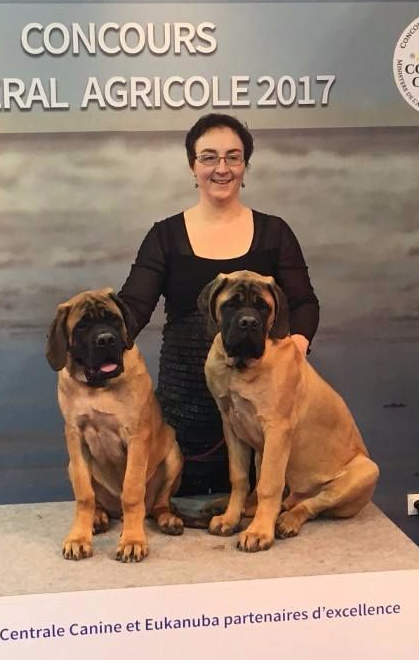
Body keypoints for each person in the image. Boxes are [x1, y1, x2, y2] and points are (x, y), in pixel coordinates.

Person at [119, 113, 319, 495]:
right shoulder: (165, 236)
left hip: (263, 421)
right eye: (209, 157)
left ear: (245, 166)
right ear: (192, 166)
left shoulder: (275, 233)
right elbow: (133, 308)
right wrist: (95, 336)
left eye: (233, 157)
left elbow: (305, 304)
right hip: (184, 416)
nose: (221, 168)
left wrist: (295, 348)